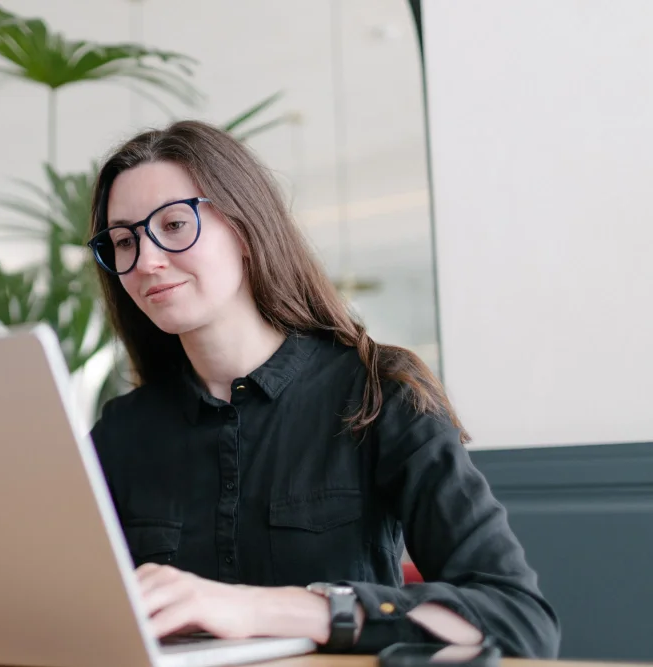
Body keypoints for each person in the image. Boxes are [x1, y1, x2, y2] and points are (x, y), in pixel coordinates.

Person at [84, 120, 560, 658]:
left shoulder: (380, 393)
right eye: (124, 241)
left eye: (173, 224)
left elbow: (517, 617)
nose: (146, 260)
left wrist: (262, 610)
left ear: (245, 229)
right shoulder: (122, 432)